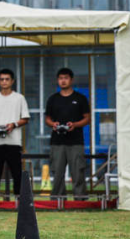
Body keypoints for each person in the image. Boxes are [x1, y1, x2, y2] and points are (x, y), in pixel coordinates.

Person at [44, 68, 90, 200]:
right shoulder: (53, 99)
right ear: (57, 80)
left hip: (75, 142)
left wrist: (74, 125)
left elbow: (87, 118)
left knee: (78, 172)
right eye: (60, 78)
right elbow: (47, 119)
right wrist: (53, 124)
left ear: (71, 80)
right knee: (57, 173)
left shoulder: (80, 98)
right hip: (57, 142)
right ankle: (58, 201)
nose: (63, 81)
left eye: (66, 78)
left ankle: (80, 201)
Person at [0, 68, 30, 200]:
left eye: (7, 79)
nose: (4, 82)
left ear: (12, 81)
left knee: (17, 174)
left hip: (14, 142)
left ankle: (19, 202)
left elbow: (25, 118)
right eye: (2, 79)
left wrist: (13, 124)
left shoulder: (19, 98)